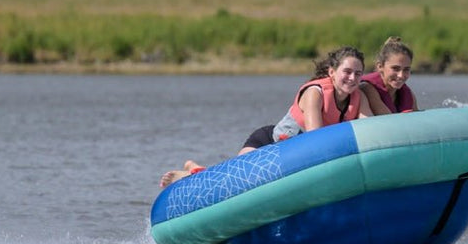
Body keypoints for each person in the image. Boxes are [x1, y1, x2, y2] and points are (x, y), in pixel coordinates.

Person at [159, 46, 373, 188]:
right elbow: (316, 139)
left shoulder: (358, 97)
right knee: (231, 183)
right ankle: (189, 175)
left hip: (290, 154)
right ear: (332, 72)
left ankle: (195, 170)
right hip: (267, 145)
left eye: (358, 73)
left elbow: (371, 130)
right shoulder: (315, 93)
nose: (352, 78)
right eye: (347, 71)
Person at [360, 36, 418, 116]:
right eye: (395, 68)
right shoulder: (367, 89)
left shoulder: (409, 94)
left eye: (406, 69)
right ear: (380, 66)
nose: (401, 75)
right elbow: (389, 120)